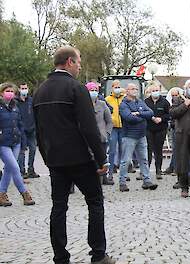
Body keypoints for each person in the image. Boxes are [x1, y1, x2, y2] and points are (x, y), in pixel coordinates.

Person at [33, 46, 115, 264]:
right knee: (95, 202)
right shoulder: (76, 88)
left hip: (56, 160)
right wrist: (101, 159)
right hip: (80, 159)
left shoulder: (40, 91)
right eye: (78, 62)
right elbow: (89, 128)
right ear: (69, 61)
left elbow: (38, 131)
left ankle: (60, 257)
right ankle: (98, 254)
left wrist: (46, 157)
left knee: (58, 207)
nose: (80, 66)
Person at [0, 82, 35, 207]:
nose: (9, 93)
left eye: (11, 91)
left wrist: (23, 142)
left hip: (16, 142)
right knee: (15, 167)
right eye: (7, 91)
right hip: (3, 143)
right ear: (1, 93)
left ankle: (1, 194)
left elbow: (20, 125)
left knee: (8, 170)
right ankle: (24, 193)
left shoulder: (15, 106)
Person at [118, 83, 157, 192]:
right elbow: (129, 117)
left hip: (141, 135)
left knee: (144, 159)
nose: (135, 90)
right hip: (129, 136)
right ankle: (122, 182)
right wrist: (142, 116)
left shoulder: (140, 102)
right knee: (126, 160)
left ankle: (147, 180)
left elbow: (150, 113)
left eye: (136, 89)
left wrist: (138, 113)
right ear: (127, 91)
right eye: (132, 89)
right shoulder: (123, 104)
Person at [86, 82, 113, 184]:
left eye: (95, 90)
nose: (94, 92)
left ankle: (102, 180)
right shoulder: (82, 104)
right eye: (91, 90)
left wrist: (107, 133)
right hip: (87, 138)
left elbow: (109, 121)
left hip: (101, 138)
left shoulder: (102, 104)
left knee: (102, 160)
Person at [144, 84, 170, 180]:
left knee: (158, 150)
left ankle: (158, 170)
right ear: (150, 92)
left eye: (157, 90)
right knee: (148, 150)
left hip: (161, 129)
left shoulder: (165, 102)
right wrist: (151, 117)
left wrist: (161, 119)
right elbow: (143, 113)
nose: (155, 92)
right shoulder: (146, 102)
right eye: (153, 90)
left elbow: (169, 114)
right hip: (148, 128)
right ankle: (146, 170)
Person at [15, 83, 40, 179]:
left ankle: (31, 170)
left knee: (33, 149)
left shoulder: (31, 100)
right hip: (21, 130)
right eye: (22, 88)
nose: (24, 90)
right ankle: (22, 171)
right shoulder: (16, 101)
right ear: (19, 89)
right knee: (22, 151)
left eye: (25, 88)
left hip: (31, 129)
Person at [105, 80, 125, 183]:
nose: (117, 89)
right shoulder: (107, 99)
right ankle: (110, 174)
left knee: (123, 152)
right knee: (112, 151)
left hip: (123, 127)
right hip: (113, 128)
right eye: (115, 87)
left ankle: (123, 174)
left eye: (119, 87)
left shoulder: (124, 98)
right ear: (112, 88)